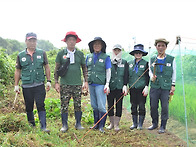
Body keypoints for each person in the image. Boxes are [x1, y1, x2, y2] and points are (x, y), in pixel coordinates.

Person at [14, 32, 51, 133]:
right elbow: (18, 70)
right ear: (26, 41)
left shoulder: (41, 53)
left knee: (40, 104)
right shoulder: (20, 55)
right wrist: (16, 85)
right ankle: (32, 126)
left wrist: (48, 81)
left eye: (34, 40)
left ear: (36, 41)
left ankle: (43, 127)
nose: (32, 42)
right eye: (30, 40)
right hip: (26, 85)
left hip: (39, 84)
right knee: (29, 105)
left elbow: (46, 66)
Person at [54, 31, 88, 133]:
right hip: (65, 84)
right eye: (69, 40)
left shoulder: (80, 54)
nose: (71, 42)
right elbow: (56, 69)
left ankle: (78, 123)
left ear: (76, 42)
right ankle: (64, 125)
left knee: (78, 104)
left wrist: (86, 81)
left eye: (73, 40)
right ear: (66, 41)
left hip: (77, 84)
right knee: (64, 104)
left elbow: (84, 68)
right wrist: (56, 82)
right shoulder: (61, 54)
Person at [148, 38, 176, 133]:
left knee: (165, 106)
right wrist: (152, 77)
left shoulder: (171, 59)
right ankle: (154, 123)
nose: (160, 48)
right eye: (159, 45)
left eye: (162, 46)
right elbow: (149, 71)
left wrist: (173, 84)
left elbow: (174, 72)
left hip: (166, 87)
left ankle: (163, 125)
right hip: (155, 86)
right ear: (156, 47)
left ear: (166, 47)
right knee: (153, 106)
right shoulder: (152, 59)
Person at [86, 37, 111, 133]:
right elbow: (86, 70)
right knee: (94, 105)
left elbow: (108, 71)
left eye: (99, 44)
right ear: (92, 46)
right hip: (91, 83)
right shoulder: (89, 57)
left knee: (101, 106)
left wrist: (107, 84)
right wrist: (86, 82)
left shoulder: (106, 57)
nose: (97, 46)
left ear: (102, 46)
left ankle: (101, 126)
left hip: (100, 84)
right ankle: (95, 124)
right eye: (95, 44)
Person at [106, 44, 128, 131]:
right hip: (111, 86)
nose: (117, 52)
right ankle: (111, 123)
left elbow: (126, 75)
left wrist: (125, 85)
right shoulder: (109, 61)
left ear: (120, 51)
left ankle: (116, 124)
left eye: (118, 50)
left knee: (119, 105)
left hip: (120, 87)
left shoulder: (124, 62)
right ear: (113, 51)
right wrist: (106, 84)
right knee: (110, 105)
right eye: (115, 50)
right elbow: (106, 73)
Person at [128, 44, 149, 130]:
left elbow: (147, 76)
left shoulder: (146, 63)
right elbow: (127, 76)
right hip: (132, 88)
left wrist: (147, 86)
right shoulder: (129, 64)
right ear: (134, 54)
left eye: (140, 53)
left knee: (141, 106)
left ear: (142, 54)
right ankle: (134, 123)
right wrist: (126, 86)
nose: (138, 54)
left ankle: (140, 124)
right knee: (133, 106)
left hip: (141, 88)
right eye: (136, 53)